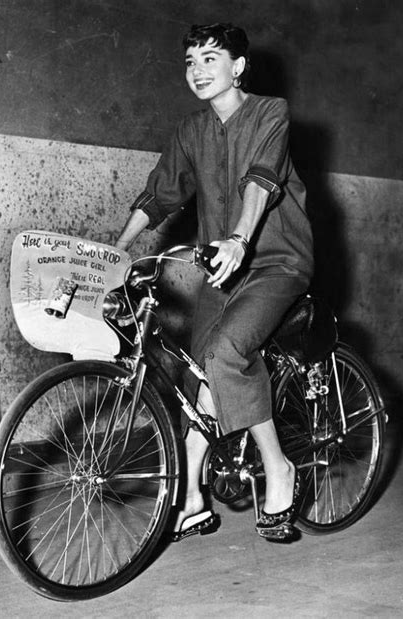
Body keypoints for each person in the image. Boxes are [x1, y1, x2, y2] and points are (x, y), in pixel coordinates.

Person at [115, 23, 314, 541]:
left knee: (226, 355)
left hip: (274, 263)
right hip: (219, 271)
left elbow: (262, 179)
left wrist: (239, 240)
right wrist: (115, 251)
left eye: (209, 58)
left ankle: (279, 468)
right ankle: (193, 498)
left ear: (238, 66)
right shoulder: (191, 131)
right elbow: (160, 195)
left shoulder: (271, 112)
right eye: (189, 61)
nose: (198, 71)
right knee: (197, 372)